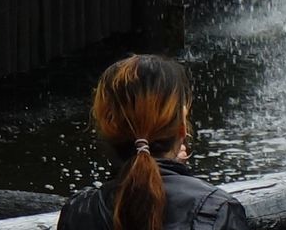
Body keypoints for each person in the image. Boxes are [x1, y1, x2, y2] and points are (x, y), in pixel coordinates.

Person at [57, 55, 249, 230]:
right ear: (182, 129)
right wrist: (176, 173)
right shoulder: (216, 210)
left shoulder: (79, 212)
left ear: (106, 132)